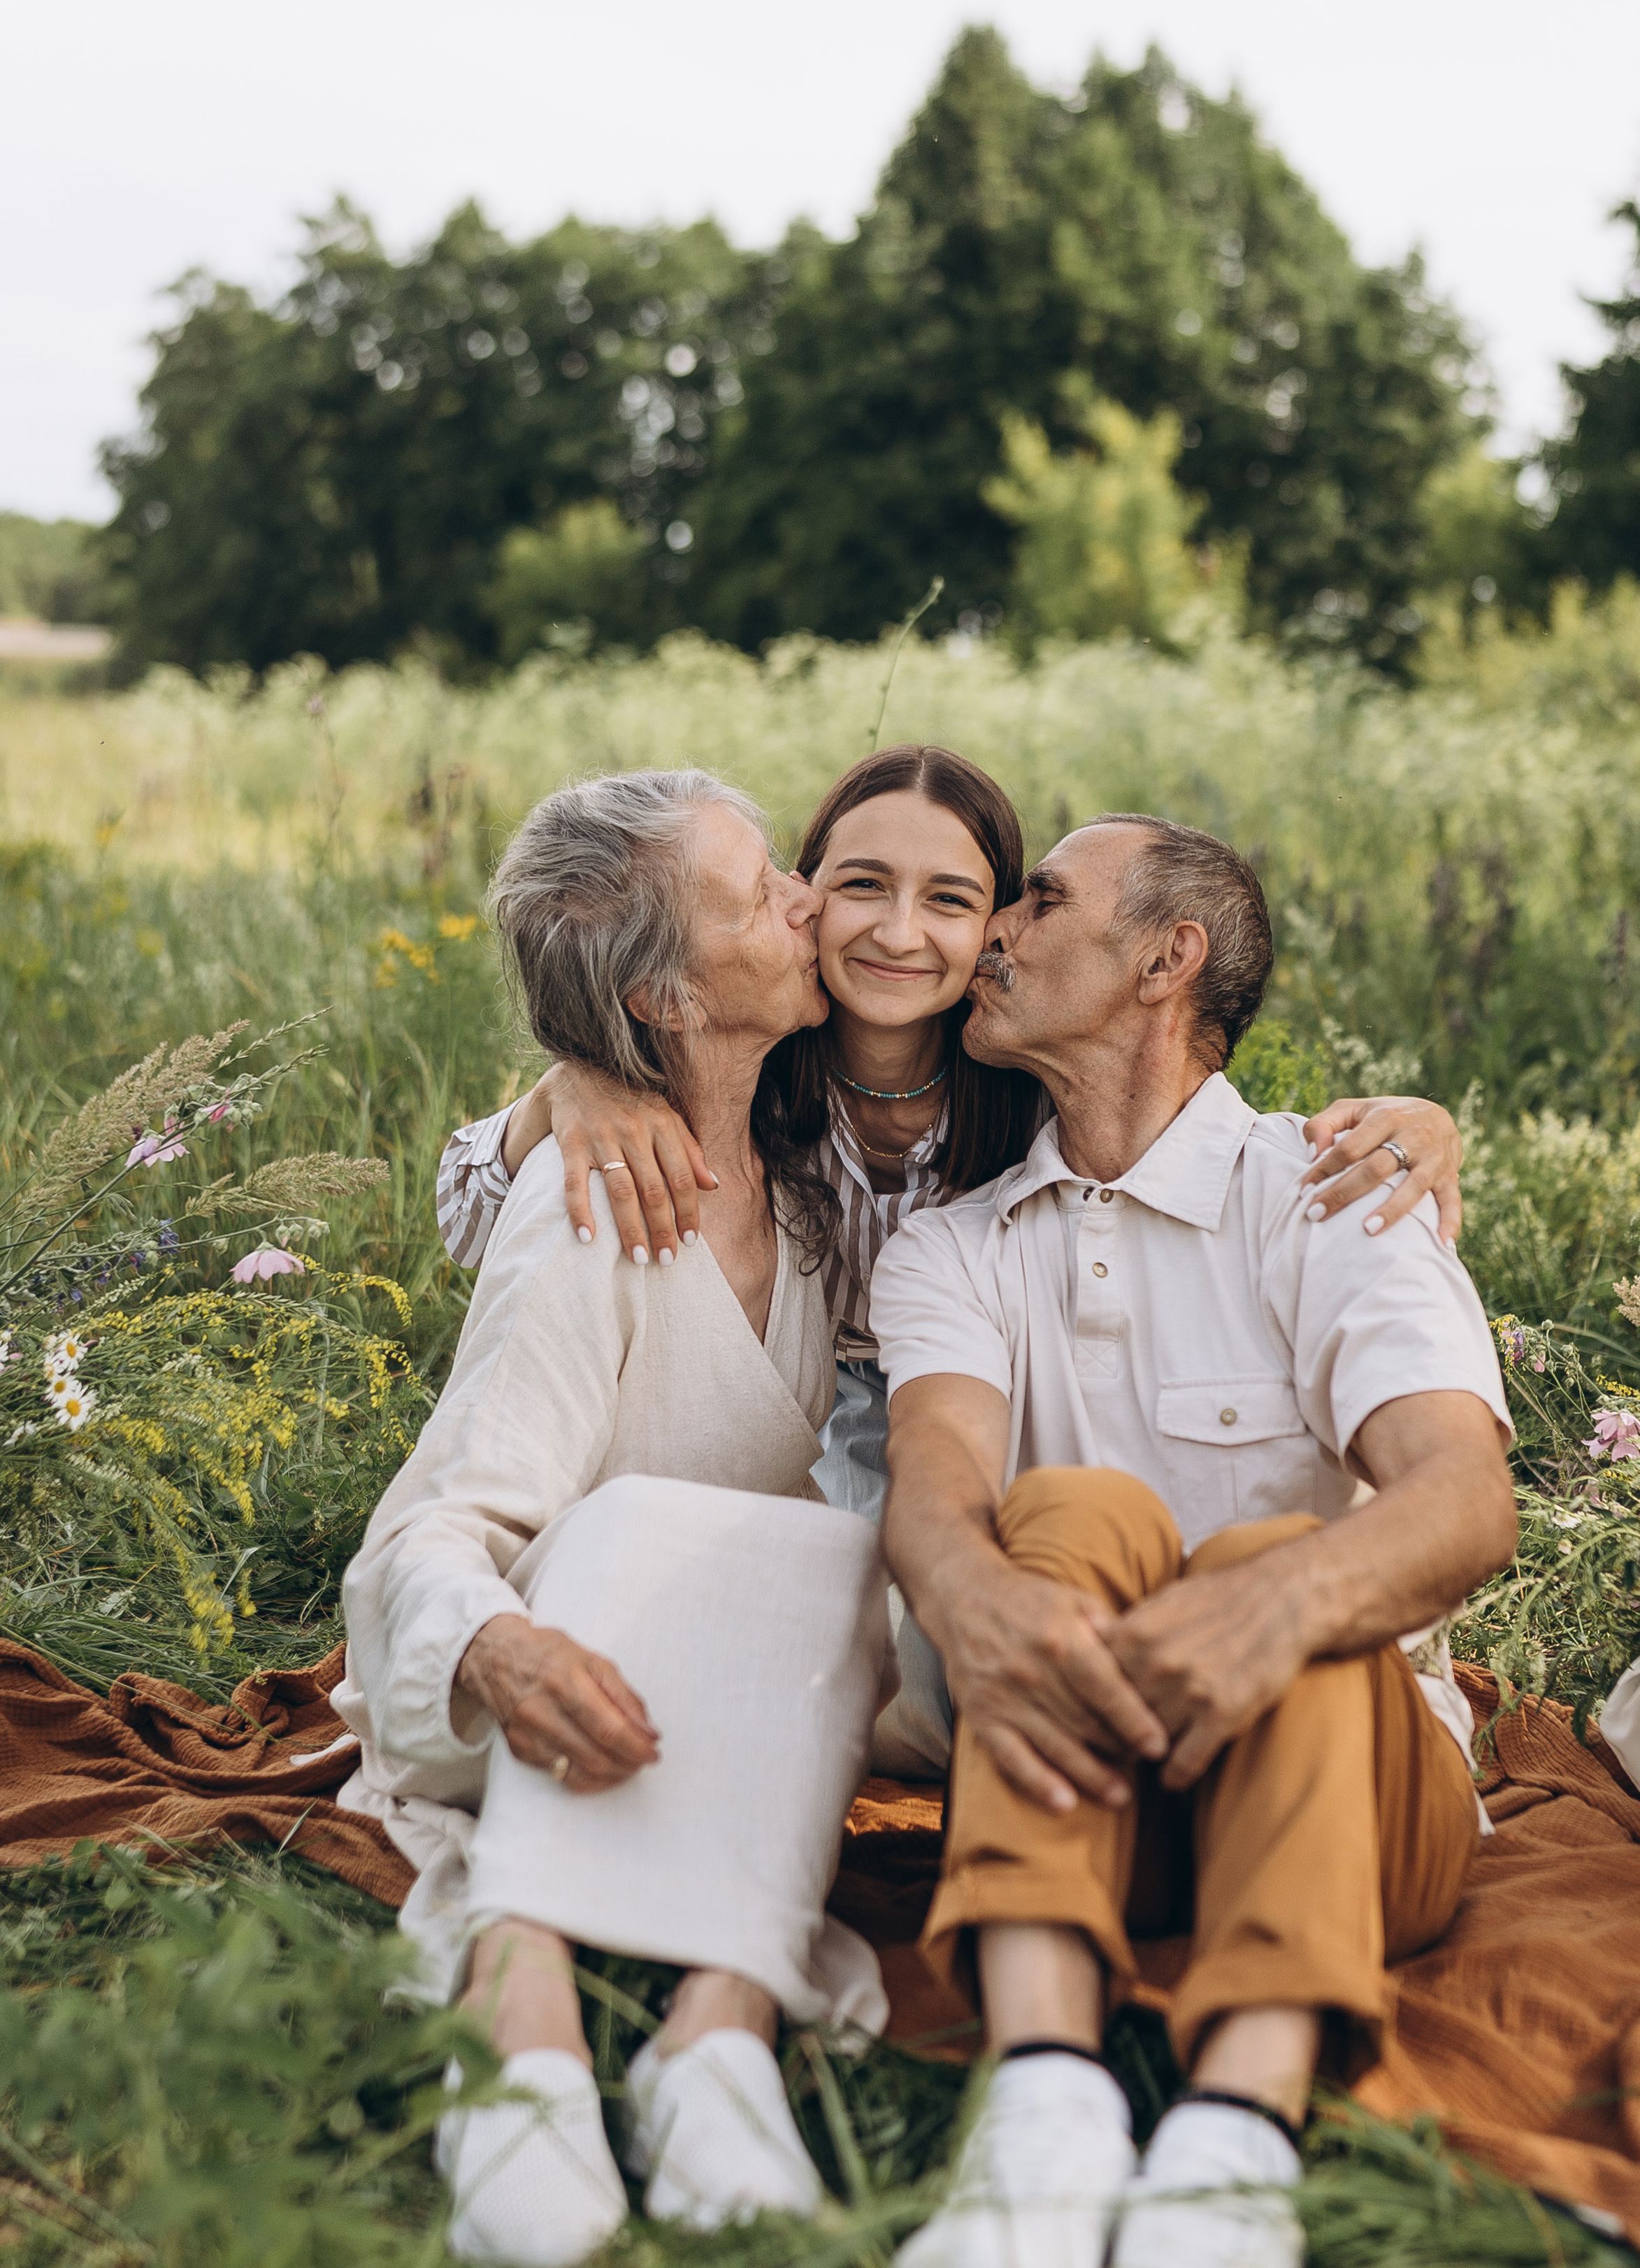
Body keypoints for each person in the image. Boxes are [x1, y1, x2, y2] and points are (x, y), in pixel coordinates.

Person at [435, 745, 1468, 1772]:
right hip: (797, 1405)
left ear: (995, 924)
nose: (899, 933)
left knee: (949, 1675)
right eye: (861, 886)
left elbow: (1181, 1142)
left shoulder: (1033, 1080)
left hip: (986, 1404)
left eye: (951, 900)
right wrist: (569, 1089)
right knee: (815, 1664)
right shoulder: (749, 1054)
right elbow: (484, 1226)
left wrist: (1421, 1124)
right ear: (805, 895)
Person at [867, 812, 1518, 2268]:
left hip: (1346, 1807)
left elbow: (1461, 1500)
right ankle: (1044, 2115)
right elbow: (933, 1482)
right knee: (1063, 1518)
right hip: (1093, 1780)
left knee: (1276, 1557)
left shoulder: (1331, 1192)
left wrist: (1275, 1601)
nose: (992, 931)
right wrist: (968, 1597)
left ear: (1167, 959)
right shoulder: (950, 1244)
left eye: (1039, 900)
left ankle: (1230, 2179)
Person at [336, 769, 895, 2268]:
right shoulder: (590, 1204)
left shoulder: (808, 1186)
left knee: (842, 1555)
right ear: (664, 997)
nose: (808, 901)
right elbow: (427, 1536)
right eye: (760, 890)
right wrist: (496, 1648)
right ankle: (519, 2010)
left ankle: (718, 2024)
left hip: (740, 1688)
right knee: (663, 1525)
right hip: (543, 1685)